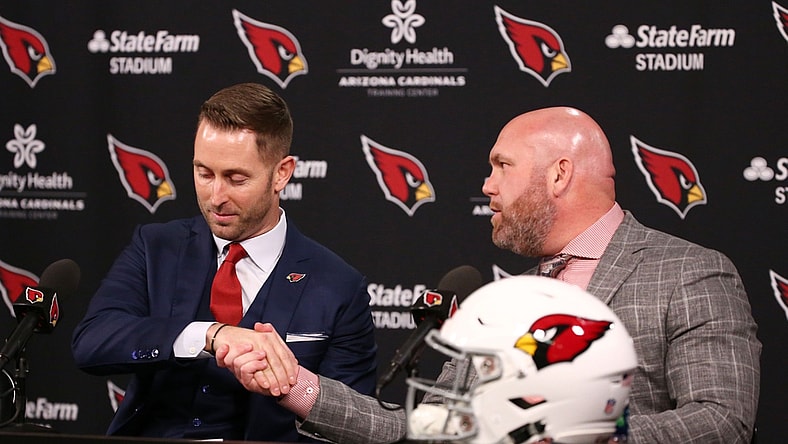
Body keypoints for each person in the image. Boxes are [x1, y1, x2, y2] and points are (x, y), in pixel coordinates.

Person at [218, 106, 761, 443]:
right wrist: (295, 385)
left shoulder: (689, 272)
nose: (488, 185)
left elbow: (721, 421)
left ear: (559, 174)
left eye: (502, 166)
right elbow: (418, 428)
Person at [71, 82, 378, 442]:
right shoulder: (155, 246)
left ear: (282, 173)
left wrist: (288, 384)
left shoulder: (338, 285)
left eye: (236, 178)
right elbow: (92, 342)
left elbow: (352, 426)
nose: (216, 197)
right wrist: (209, 334)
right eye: (204, 173)